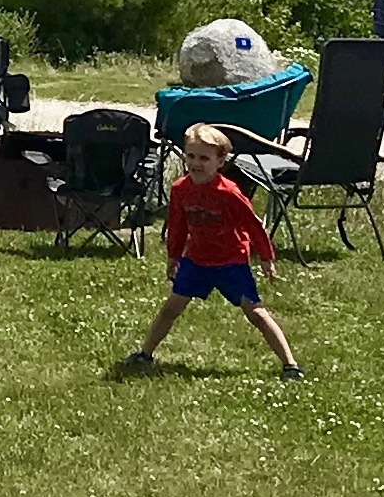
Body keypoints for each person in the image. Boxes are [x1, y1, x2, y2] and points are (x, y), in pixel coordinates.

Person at [122, 123, 301, 379]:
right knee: (170, 309)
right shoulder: (180, 189)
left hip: (231, 263)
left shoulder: (229, 193)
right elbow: (178, 226)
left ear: (220, 161)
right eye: (191, 156)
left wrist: (266, 256)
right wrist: (174, 256)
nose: (196, 163)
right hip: (196, 261)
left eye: (204, 158)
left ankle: (290, 364)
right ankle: (145, 354)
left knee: (256, 314)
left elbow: (253, 225)